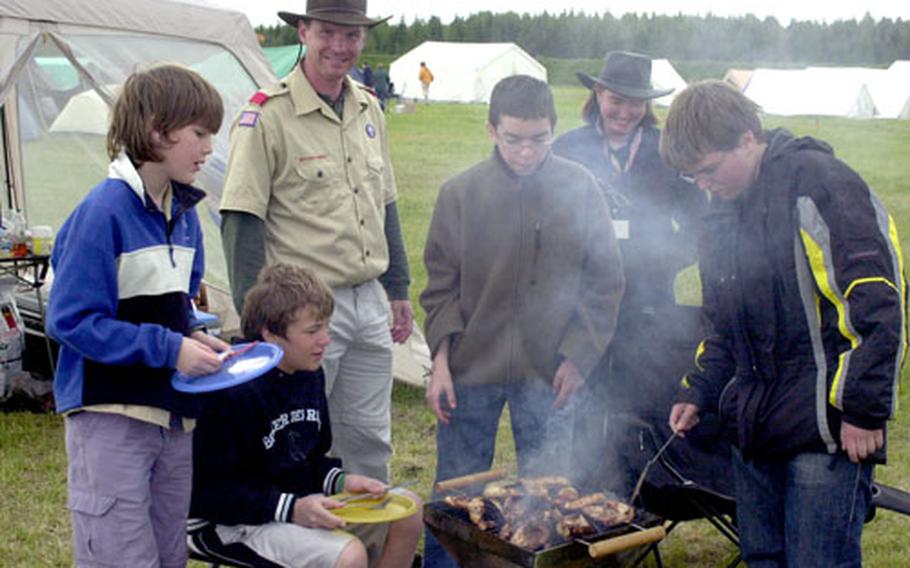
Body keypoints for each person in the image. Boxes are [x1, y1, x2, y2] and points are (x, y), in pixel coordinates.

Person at [663, 80, 906, 567]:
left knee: (819, 561)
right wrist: (699, 390)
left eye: (709, 169)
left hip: (825, 426)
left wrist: (861, 407)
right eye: (694, 178)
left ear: (748, 138)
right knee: (763, 559)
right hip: (754, 424)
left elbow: (874, 302)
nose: (704, 185)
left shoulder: (820, 185)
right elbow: (724, 325)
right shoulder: (720, 214)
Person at [420, 74, 625, 567]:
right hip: (470, 372)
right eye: (514, 139)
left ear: (554, 128)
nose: (527, 152)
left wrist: (578, 356)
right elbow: (440, 284)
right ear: (492, 130)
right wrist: (441, 362)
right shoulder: (460, 193)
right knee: (454, 499)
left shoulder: (581, 188)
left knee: (549, 495)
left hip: (548, 373)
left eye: (538, 139)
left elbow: (605, 282)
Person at [219, 0, 413, 484]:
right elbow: (242, 221)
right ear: (303, 31)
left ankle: (366, 550)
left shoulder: (370, 106)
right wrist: (255, 323)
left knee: (369, 439)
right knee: (295, 438)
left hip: (369, 301)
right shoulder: (268, 115)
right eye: (328, 32)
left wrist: (399, 288)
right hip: (302, 312)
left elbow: (384, 203)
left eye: (352, 35)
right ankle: (303, 552)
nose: (340, 46)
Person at [46, 64, 229, 568]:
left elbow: (177, 309)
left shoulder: (186, 215)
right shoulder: (103, 212)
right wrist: (171, 349)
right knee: (121, 557)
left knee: (169, 554)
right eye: (199, 133)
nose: (209, 147)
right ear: (156, 130)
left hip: (172, 419)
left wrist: (195, 336)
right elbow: (72, 320)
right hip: (111, 419)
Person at [188, 263, 422, 567]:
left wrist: (340, 481)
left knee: (408, 511)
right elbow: (210, 493)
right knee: (348, 556)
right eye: (313, 331)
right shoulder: (232, 389)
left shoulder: (308, 373)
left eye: (326, 326)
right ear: (270, 333)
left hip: (289, 505)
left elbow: (306, 460)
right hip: (225, 523)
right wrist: (293, 509)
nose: (326, 339)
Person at [552, 50, 707, 490]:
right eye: (615, 100)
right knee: (582, 403)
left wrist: (664, 257)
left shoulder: (668, 151)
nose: (624, 112)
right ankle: (580, 496)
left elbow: (699, 222)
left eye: (634, 103)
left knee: (638, 406)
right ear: (597, 94)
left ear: (647, 104)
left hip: (652, 305)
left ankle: (633, 501)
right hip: (582, 305)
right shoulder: (569, 149)